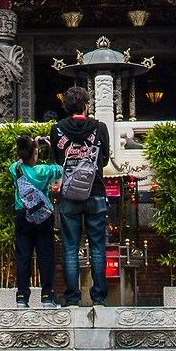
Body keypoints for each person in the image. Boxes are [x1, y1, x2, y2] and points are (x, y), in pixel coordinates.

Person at [51, 86, 113, 305]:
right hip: (95, 191)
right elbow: (104, 159)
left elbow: (58, 158)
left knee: (70, 248)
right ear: (86, 106)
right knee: (98, 248)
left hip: (69, 194)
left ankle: (72, 297)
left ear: (66, 107)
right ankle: (99, 298)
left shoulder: (57, 129)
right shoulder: (100, 127)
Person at [10, 136, 63, 307]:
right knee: (45, 256)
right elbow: (60, 168)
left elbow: (20, 161)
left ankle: (22, 296)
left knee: (23, 256)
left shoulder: (16, 168)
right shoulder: (44, 171)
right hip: (43, 217)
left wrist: (31, 146)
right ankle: (47, 295)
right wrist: (48, 147)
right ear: (35, 153)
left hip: (22, 214)